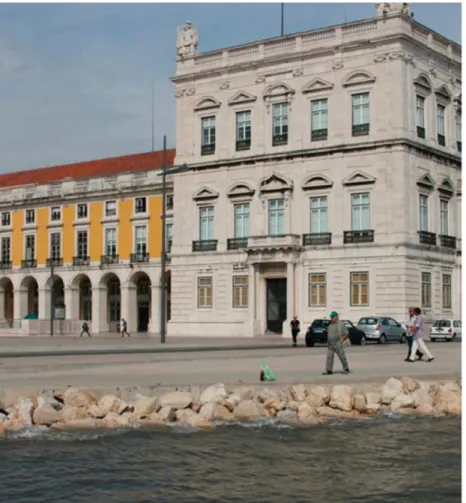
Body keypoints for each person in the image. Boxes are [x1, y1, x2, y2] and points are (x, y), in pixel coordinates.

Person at [322, 311, 350, 375]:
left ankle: (346, 368)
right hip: (330, 344)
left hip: (338, 343)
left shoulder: (341, 324)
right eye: (331, 317)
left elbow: (347, 333)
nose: (331, 319)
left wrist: (342, 339)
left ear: (336, 317)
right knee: (329, 356)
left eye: (332, 317)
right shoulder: (330, 325)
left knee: (341, 356)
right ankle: (329, 370)